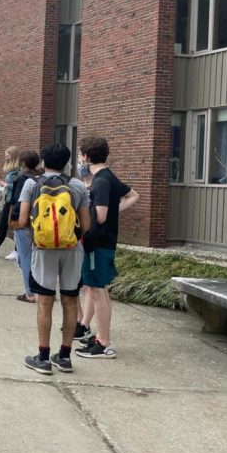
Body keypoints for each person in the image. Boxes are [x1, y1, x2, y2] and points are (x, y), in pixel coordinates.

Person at [18, 143, 91, 375]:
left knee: (45, 301)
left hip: (42, 249)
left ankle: (42, 357)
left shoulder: (32, 184)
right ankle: (65, 356)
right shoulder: (78, 186)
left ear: (43, 162)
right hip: (72, 249)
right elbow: (86, 225)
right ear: (67, 162)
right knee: (70, 301)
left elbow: (21, 221)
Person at [75, 136, 139, 359]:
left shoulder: (101, 181)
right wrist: (115, 211)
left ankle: (103, 342)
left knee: (96, 290)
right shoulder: (107, 177)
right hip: (104, 241)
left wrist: (101, 213)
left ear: (87, 156)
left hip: (98, 241)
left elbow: (100, 216)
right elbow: (133, 196)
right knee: (97, 289)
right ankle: (101, 338)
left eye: (81, 154)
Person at [11, 150, 42, 303]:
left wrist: (14, 221)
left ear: (23, 163)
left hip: (24, 222)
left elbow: (18, 202)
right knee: (40, 258)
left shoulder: (22, 178)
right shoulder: (41, 178)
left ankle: (29, 292)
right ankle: (44, 291)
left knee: (25, 258)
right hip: (41, 222)